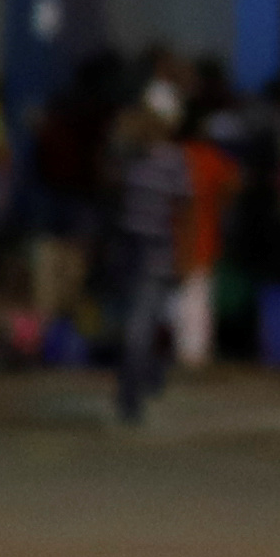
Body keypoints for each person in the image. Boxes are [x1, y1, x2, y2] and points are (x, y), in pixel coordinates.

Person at [103, 95, 195, 426]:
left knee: (140, 322)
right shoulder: (147, 157)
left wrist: (184, 256)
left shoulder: (154, 158)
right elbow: (181, 209)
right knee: (140, 323)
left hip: (142, 247)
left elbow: (182, 209)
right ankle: (141, 382)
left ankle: (137, 388)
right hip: (141, 246)